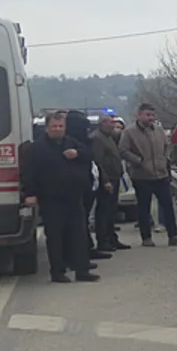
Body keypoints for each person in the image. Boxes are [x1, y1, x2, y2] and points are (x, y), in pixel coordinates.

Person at [22, 112, 101, 283]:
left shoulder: (71, 143)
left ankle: (82, 270)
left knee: (78, 235)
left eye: (60, 126)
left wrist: (77, 154)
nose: (57, 129)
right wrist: (30, 194)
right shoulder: (37, 148)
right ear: (47, 127)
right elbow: (28, 172)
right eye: (54, 127)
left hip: (74, 196)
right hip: (51, 199)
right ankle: (57, 272)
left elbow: (90, 154)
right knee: (56, 237)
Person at [119, 103, 177, 247]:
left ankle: (173, 235)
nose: (150, 118)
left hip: (161, 174)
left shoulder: (159, 130)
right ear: (139, 115)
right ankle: (146, 238)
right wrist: (138, 161)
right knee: (143, 207)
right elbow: (123, 150)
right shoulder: (129, 132)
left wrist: (165, 159)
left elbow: (167, 146)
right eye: (147, 115)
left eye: (152, 115)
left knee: (168, 206)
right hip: (141, 175)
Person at [64, 110, 112, 261]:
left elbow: (92, 159)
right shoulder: (68, 142)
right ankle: (78, 253)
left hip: (88, 183)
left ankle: (85, 249)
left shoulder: (83, 142)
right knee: (77, 220)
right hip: (75, 186)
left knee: (83, 219)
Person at [90, 114, 131, 252]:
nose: (113, 125)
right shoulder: (97, 138)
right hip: (106, 179)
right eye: (110, 123)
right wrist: (105, 180)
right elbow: (98, 161)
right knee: (103, 210)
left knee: (112, 210)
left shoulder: (109, 137)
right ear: (102, 123)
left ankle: (112, 237)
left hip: (115, 177)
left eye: (114, 123)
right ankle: (103, 240)